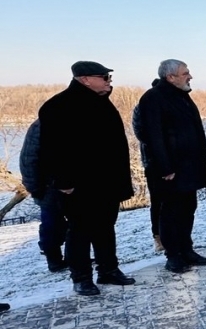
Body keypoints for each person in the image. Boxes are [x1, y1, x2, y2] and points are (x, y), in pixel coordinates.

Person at [38, 61, 135, 296]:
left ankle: (108, 269)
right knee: (80, 230)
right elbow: (52, 150)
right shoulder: (58, 106)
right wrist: (64, 182)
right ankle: (81, 277)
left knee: (105, 227)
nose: (109, 81)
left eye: (109, 77)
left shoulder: (103, 103)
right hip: (79, 185)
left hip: (108, 182)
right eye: (104, 77)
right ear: (84, 79)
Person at [137, 60, 206, 274]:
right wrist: (165, 167)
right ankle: (173, 255)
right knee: (171, 212)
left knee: (187, 210)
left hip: (189, 167)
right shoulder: (153, 98)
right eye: (185, 73)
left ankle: (186, 249)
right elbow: (153, 136)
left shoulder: (182, 95)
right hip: (170, 170)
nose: (190, 76)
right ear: (170, 77)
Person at [19, 119, 68, 272]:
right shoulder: (40, 127)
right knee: (51, 222)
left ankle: (73, 256)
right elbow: (29, 158)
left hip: (70, 183)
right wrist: (34, 187)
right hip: (48, 185)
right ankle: (53, 258)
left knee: (76, 224)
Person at [132, 79, 165, 252]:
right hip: (153, 163)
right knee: (158, 201)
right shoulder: (142, 108)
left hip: (177, 164)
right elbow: (142, 134)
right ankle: (158, 236)